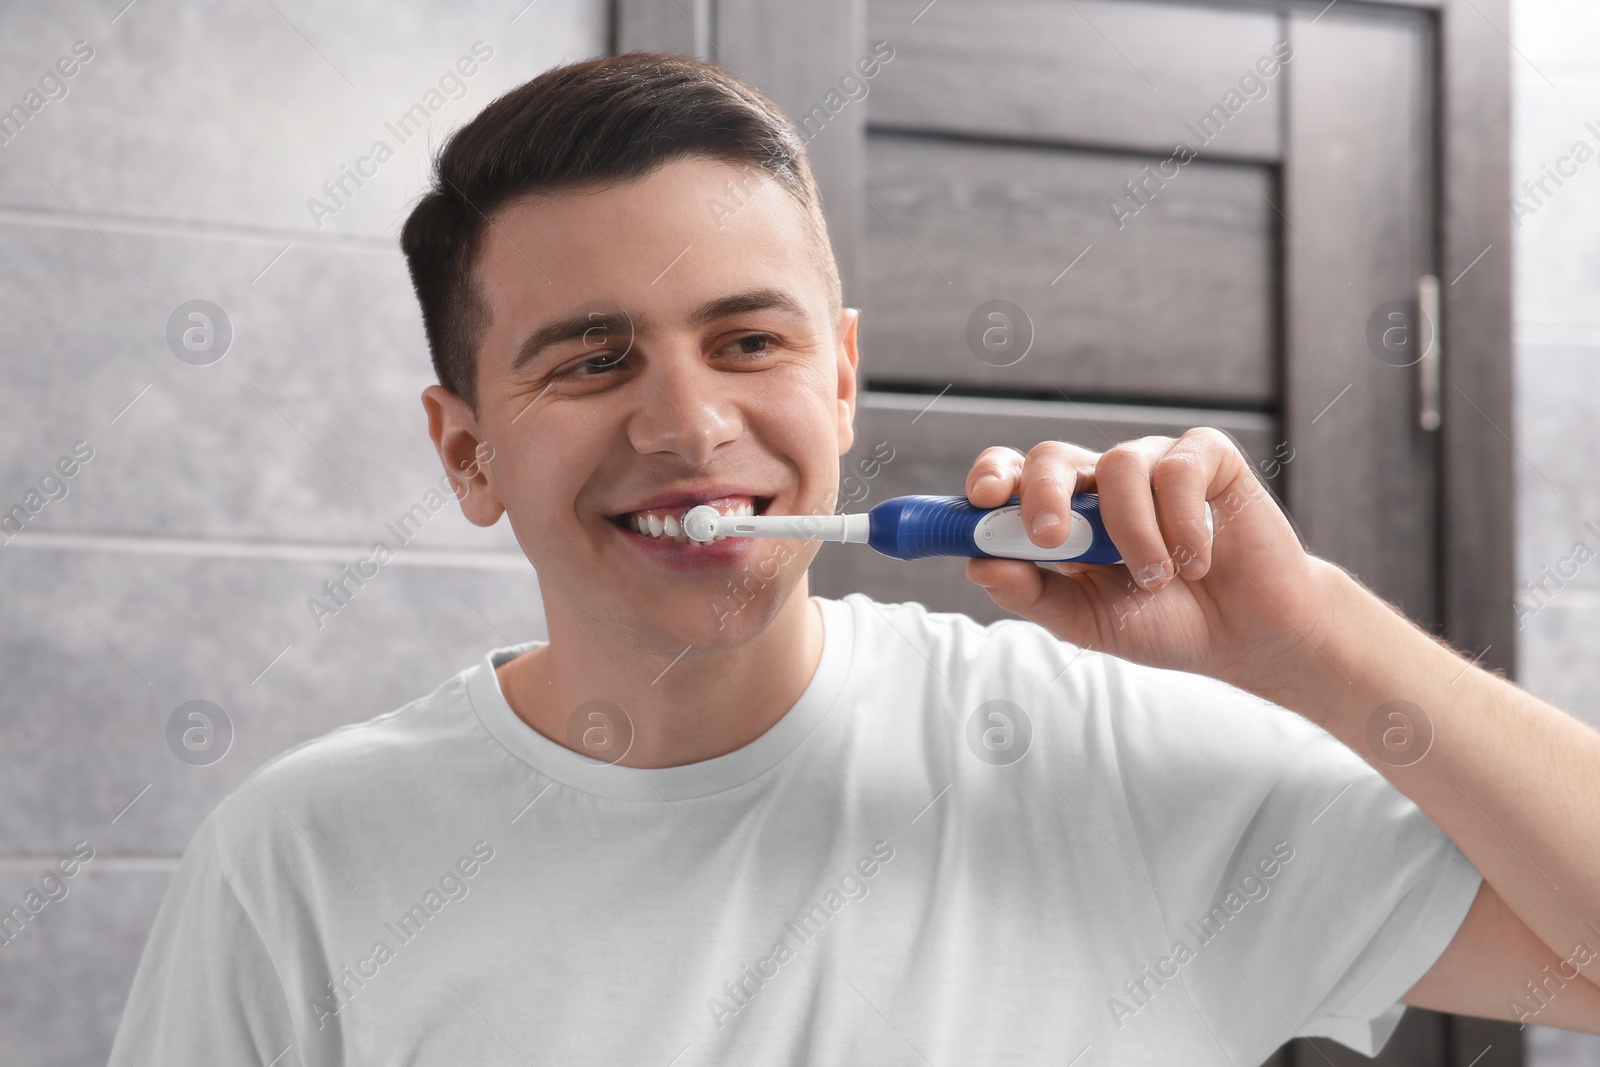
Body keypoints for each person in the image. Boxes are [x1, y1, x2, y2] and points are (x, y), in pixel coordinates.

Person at [109, 51, 1600, 1065]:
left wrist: (1312, 638)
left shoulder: (1122, 761)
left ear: (840, 384)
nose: (690, 425)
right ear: (466, 453)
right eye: (590, 361)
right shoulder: (297, 866)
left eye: (750, 342)